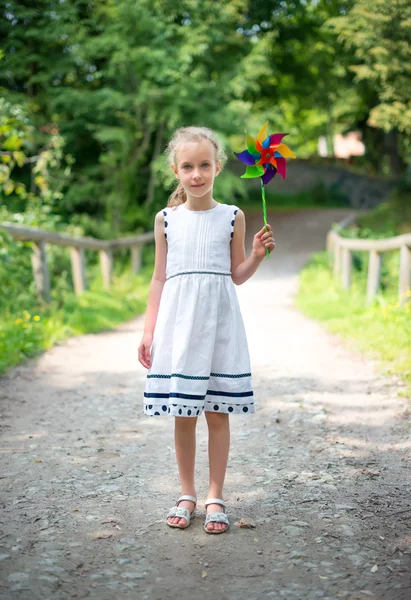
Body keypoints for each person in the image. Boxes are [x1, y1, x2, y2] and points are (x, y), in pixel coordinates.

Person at [138, 126, 275, 534]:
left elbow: (236, 276)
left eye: (204, 166)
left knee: (217, 412)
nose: (196, 174)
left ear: (217, 167)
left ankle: (215, 494)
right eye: (187, 167)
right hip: (179, 328)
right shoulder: (166, 220)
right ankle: (186, 492)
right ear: (175, 171)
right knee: (183, 413)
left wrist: (256, 256)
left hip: (219, 326)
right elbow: (159, 279)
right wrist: (148, 332)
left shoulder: (233, 216)